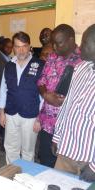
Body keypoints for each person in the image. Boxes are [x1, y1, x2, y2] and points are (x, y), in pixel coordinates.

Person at [52, 24, 95, 183]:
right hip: (66, 152)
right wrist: (57, 137)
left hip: (88, 160)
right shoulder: (80, 68)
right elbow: (67, 105)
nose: (80, 46)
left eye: (85, 42)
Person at [37, 24, 82, 168]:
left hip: (69, 129)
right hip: (47, 124)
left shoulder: (84, 61)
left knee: (65, 172)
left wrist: (67, 100)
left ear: (71, 40)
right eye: (53, 43)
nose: (55, 47)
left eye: (59, 43)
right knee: (45, 163)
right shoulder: (51, 57)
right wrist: (45, 94)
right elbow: (41, 80)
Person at [0, 31, 44, 164]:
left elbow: (43, 96)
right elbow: (3, 90)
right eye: (17, 46)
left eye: (24, 46)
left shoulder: (40, 65)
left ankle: (25, 180)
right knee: (10, 148)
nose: (21, 50)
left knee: (28, 151)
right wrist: (1, 112)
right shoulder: (9, 65)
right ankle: (13, 176)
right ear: (13, 48)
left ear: (30, 47)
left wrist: (40, 118)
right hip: (11, 113)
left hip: (31, 115)